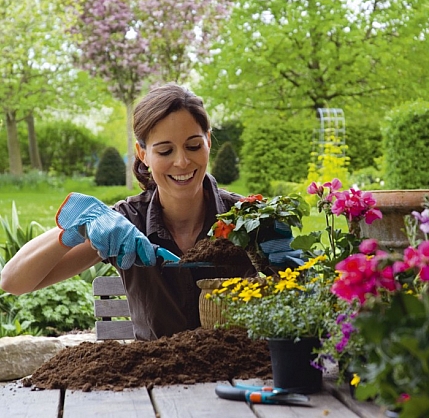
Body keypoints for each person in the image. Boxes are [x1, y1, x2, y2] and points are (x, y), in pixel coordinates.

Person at [0, 84, 246, 340]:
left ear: (208, 141)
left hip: (243, 376)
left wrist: (285, 262)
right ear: (143, 154)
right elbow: (13, 281)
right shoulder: (123, 225)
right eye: (165, 151)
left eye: (193, 146)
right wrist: (80, 225)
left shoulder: (245, 218)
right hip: (155, 375)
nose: (182, 161)